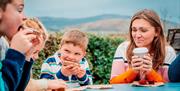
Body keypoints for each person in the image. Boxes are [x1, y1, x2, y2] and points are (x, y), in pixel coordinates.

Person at [110, 9, 176, 84]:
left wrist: (150, 72)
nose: (137, 35)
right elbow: (113, 82)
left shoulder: (168, 52)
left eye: (143, 30)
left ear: (157, 31)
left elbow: (169, 86)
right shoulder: (123, 48)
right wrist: (133, 71)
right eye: (134, 30)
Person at [17, 18, 67, 91]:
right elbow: (23, 85)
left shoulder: (26, 60)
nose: (37, 57)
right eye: (34, 52)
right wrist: (47, 84)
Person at [0, 0, 38, 90]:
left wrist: (26, 56)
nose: (25, 17)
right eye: (20, 10)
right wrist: (16, 53)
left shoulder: (3, 44)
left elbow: (16, 88)